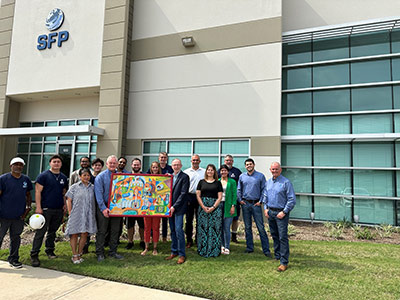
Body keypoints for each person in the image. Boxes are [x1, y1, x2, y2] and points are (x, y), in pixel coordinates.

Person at [31, 154, 68, 267]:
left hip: (58, 209)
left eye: (58, 162)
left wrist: (65, 205)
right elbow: (38, 192)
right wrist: (38, 207)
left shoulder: (63, 177)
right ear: (50, 163)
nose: (56, 163)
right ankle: (34, 254)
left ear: (61, 164)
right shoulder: (43, 176)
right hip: (46, 209)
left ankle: (50, 250)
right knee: (40, 232)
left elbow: (64, 193)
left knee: (52, 232)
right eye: (54, 161)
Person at [262, 162, 296, 272]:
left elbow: (292, 200)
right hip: (271, 212)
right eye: (273, 169)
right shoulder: (268, 182)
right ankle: (277, 255)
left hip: (281, 213)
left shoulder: (286, 182)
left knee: (282, 237)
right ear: (270, 170)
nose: (274, 171)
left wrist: (284, 211)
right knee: (275, 235)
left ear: (280, 170)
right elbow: (265, 196)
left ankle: (284, 262)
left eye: (276, 169)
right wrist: (265, 208)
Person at [0, 157, 32, 268]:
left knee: (16, 238)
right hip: (3, 216)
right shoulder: (3, 179)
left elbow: (28, 194)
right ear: (11, 166)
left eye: (20, 165)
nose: (18, 166)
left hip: (18, 216)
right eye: (16, 164)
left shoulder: (26, 179)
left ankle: (13, 259)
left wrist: (27, 208)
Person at [237, 158, 271, 257]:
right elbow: (239, 189)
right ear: (245, 166)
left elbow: (264, 190)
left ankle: (266, 250)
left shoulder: (260, 176)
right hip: (245, 204)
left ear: (254, 165)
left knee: (260, 227)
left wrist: (261, 201)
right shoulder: (242, 176)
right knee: (247, 227)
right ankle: (249, 248)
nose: (249, 166)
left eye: (250, 164)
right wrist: (240, 200)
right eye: (247, 165)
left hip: (256, 204)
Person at [94, 155, 124, 261]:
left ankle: (113, 252)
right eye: (110, 163)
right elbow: (98, 194)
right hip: (104, 207)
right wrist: (103, 208)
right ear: (107, 164)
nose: (112, 165)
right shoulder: (100, 177)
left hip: (117, 207)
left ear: (117, 164)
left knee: (115, 230)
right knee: (102, 231)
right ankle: (100, 253)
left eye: (114, 163)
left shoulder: (121, 176)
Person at [65, 168, 97, 264]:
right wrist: (70, 212)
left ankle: (79, 254)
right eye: (84, 175)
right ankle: (74, 255)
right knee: (74, 233)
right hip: (76, 213)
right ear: (80, 176)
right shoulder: (74, 187)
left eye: (88, 175)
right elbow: (68, 200)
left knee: (84, 234)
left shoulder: (92, 187)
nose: (86, 177)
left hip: (88, 214)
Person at [165, 159, 189, 264]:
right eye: (174, 165)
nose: (176, 166)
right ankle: (173, 251)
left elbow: (183, 194)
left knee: (179, 230)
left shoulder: (185, 177)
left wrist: (174, 206)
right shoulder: (169, 177)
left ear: (181, 165)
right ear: (171, 166)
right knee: (173, 230)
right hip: (169, 208)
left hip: (178, 208)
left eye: (178, 165)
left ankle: (182, 254)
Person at [196, 164, 223, 257]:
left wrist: (213, 207)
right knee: (203, 229)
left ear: (214, 172)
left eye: (212, 170)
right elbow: (198, 195)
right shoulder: (201, 182)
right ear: (206, 171)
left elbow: (220, 197)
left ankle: (214, 250)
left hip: (215, 208)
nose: (210, 171)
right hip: (203, 207)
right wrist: (203, 206)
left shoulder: (218, 183)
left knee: (214, 229)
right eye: (208, 170)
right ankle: (202, 249)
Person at [147, 152, 173, 242]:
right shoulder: (151, 169)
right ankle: (151, 237)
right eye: (161, 157)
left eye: (164, 157)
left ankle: (164, 237)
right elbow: (146, 178)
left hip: (164, 197)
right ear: (159, 158)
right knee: (152, 217)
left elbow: (172, 180)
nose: (163, 159)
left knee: (164, 219)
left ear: (166, 158)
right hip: (152, 198)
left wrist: (169, 177)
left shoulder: (170, 168)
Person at [218, 154, 242, 243]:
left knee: (234, 218)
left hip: (233, 199)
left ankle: (234, 236)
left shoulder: (237, 171)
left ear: (233, 161)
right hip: (221, 201)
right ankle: (221, 240)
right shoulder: (219, 171)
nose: (229, 162)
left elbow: (240, 185)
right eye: (227, 160)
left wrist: (235, 202)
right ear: (224, 161)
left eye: (230, 160)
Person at [183, 154, 205, 248]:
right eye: (193, 160)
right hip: (189, 197)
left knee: (200, 220)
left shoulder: (204, 172)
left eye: (197, 160)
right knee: (189, 220)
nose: (195, 162)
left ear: (199, 161)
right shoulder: (186, 172)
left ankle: (198, 239)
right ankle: (189, 240)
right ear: (191, 161)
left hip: (201, 197)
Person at [141, 161, 162, 256]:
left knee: (156, 228)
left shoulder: (162, 179)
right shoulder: (147, 179)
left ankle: (155, 248)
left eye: (156, 167)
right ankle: (146, 247)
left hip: (157, 207)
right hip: (147, 208)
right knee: (147, 228)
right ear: (151, 168)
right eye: (153, 167)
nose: (155, 169)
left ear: (159, 168)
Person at [125, 158, 145, 250]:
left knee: (142, 225)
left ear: (140, 166)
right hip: (130, 205)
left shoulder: (145, 177)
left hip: (142, 206)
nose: (136, 166)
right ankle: (130, 241)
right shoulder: (126, 177)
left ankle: (142, 241)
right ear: (131, 165)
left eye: (138, 164)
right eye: (134, 165)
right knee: (130, 225)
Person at [218, 164, 237, 255]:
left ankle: (227, 246)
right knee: (220, 227)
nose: (223, 172)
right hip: (219, 205)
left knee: (226, 227)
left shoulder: (232, 182)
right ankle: (221, 245)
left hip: (229, 205)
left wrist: (233, 205)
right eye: (222, 170)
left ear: (228, 172)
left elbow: (234, 194)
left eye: (225, 170)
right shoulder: (217, 181)